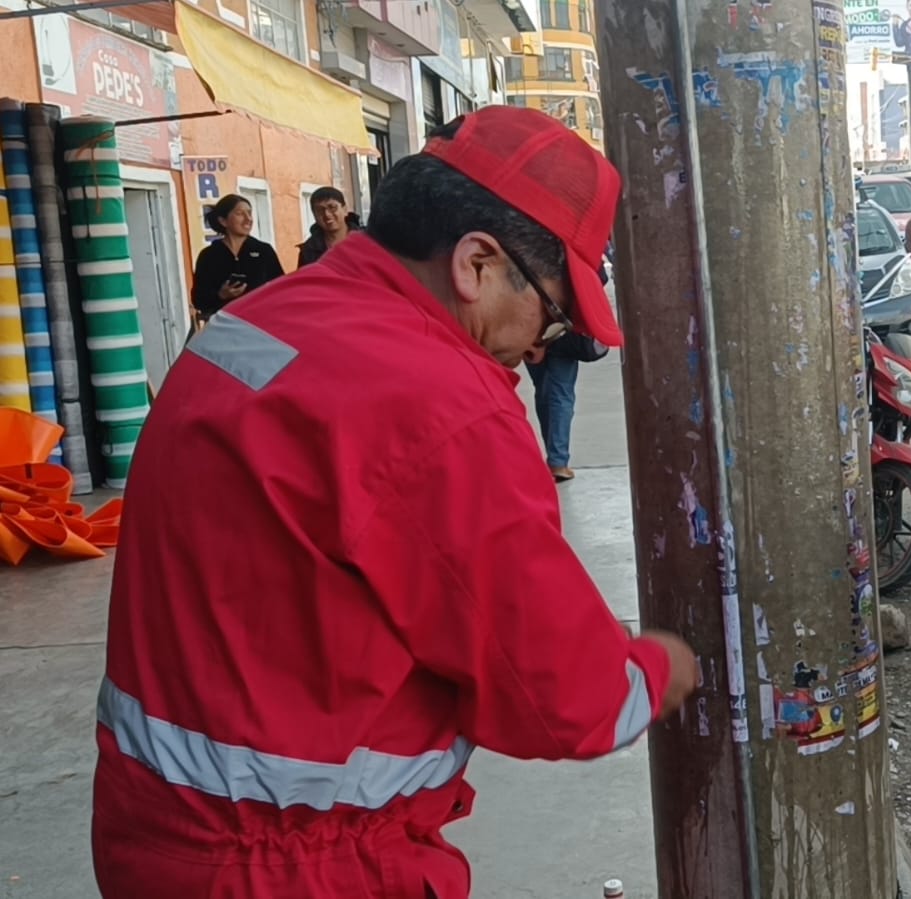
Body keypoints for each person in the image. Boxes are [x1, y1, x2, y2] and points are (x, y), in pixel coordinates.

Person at [92, 107, 698, 898]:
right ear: (476, 262)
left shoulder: (257, 322)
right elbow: (561, 700)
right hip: (302, 862)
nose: (542, 342)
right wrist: (658, 667)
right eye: (551, 310)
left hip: (152, 828)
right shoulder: (440, 407)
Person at [525, 260, 607, 482]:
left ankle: (555, 457)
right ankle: (558, 461)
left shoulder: (524, 245)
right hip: (563, 328)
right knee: (560, 392)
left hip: (530, 328)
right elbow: (599, 275)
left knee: (543, 390)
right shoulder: (569, 249)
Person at [190, 194, 284, 322]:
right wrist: (221, 295)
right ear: (223, 221)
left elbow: (281, 289)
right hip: (224, 326)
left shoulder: (264, 251)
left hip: (261, 324)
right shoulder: (209, 255)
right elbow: (199, 300)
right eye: (240, 213)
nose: (248, 219)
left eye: (250, 213)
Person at [297, 185, 362, 267]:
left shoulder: (367, 241)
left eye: (332, 207)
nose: (327, 214)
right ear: (314, 215)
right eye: (320, 210)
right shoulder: (309, 250)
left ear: (345, 210)